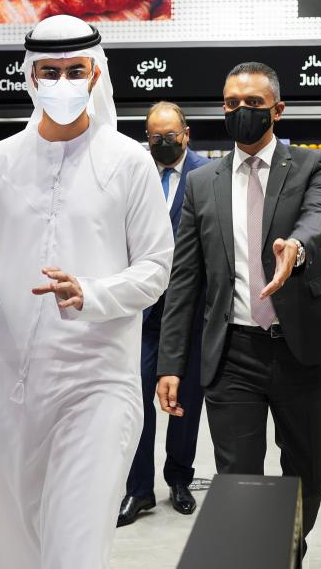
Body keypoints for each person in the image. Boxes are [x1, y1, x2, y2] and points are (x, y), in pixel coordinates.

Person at [0, 15, 174, 568]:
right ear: (31, 78)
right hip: (8, 389)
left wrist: (92, 294)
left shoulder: (129, 162)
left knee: (73, 549)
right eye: (49, 71)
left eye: (75, 70)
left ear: (96, 74)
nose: (62, 82)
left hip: (96, 385)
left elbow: (155, 267)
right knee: (13, 546)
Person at [156, 62, 321, 552]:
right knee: (238, 482)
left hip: (300, 350)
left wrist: (296, 246)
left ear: (278, 109)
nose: (241, 112)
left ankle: (290, 547)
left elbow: (320, 214)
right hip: (233, 353)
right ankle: (258, 557)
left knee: (310, 473)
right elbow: (185, 279)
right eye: (231, 103)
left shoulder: (312, 164)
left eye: (253, 103)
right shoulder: (202, 182)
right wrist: (170, 363)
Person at [118, 102, 208, 526]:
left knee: (185, 399)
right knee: (136, 398)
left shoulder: (207, 175)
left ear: (186, 134)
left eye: (171, 134)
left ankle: (179, 479)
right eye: (156, 136)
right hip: (141, 309)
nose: (164, 142)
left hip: (189, 310)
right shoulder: (134, 172)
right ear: (147, 137)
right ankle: (139, 490)